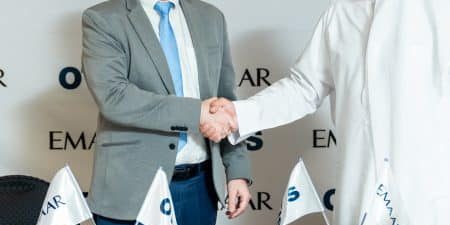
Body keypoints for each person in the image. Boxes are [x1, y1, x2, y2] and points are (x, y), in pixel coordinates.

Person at [201, 0, 450, 224]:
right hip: (358, 189)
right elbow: (304, 87)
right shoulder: (341, 12)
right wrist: (238, 114)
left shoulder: (438, 9)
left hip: (424, 196)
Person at [81, 0, 252, 224]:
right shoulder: (103, 18)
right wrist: (197, 113)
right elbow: (114, 97)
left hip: (201, 188)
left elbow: (225, 101)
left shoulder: (211, 17)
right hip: (132, 190)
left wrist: (236, 169)